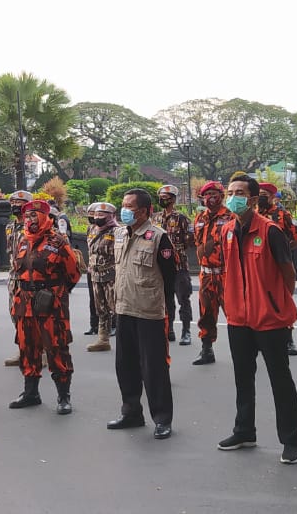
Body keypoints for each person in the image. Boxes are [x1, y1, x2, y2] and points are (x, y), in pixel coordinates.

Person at [216, 175, 297, 464]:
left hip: (270, 319)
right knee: (243, 378)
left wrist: (277, 301)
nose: (233, 197)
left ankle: (291, 441)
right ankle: (244, 431)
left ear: (253, 199)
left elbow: (288, 272)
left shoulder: (270, 231)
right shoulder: (227, 230)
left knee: (281, 380)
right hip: (239, 318)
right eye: (231, 192)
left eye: (239, 193)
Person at [106, 188, 176, 440]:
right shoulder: (120, 234)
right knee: (125, 366)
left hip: (149, 312)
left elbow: (170, 278)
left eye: (130, 207)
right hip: (123, 308)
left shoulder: (159, 237)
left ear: (145, 211)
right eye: (123, 206)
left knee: (154, 368)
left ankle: (162, 419)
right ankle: (131, 412)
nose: (124, 211)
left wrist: (162, 305)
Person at [8, 200, 82, 414]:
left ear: (44, 217)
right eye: (27, 216)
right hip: (25, 304)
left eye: (34, 216)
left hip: (50, 305)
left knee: (57, 348)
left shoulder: (58, 241)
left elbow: (73, 273)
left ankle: (63, 396)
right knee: (27, 347)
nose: (29, 220)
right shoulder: (23, 240)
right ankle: (31, 393)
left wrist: (54, 292)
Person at [257, 182, 297, 357]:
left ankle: (288, 339)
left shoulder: (282, 215)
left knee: (283, 301)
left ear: (272, 197)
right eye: (259, 194)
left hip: (280, 265)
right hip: (260, 266)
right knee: (261, 301)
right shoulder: (252, 214)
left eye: (265, 194)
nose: (262, 197)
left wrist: (283, 250)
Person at [192, 181, 235, 366]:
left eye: (214, 193)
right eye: (206, 194)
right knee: (206, 313)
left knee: (235, 313)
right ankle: (206, 349)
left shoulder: (231, 216)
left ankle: (244, 350)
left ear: (222, 195)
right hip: (206, 274)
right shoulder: (199, 218)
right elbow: (197, 243)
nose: (210, 197)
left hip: (227, 274)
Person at [152, 185, 193, 344]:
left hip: (179, 265)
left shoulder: (181, 218)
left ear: (174, 199)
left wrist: (175, 250)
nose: (163, 199)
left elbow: (189, 239)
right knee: (166, 300)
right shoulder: (155, 218)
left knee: (183, 298)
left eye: (166, 196)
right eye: (161, 196)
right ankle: (169, 330)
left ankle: (186, 331)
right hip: (161, 266)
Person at [3, 189, 33, 367]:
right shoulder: (10, 227)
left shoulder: (34, 226)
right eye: (13, 203)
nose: (15, 206)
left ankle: (40, 350)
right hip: (14, 276)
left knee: (32, 315)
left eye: (20, 204)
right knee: (15, 313)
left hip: (29, 276)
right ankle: (22, 348)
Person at [85, 202, 118, 353]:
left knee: (116, 307)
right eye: (96, 214)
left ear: (110, 217)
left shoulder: (117, 232)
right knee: (100, 308)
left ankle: (126, 339)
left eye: (102, 215)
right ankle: (103, 339)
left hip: (112, 274)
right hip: (95, 274)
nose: (98, 218)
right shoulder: (91, 229)